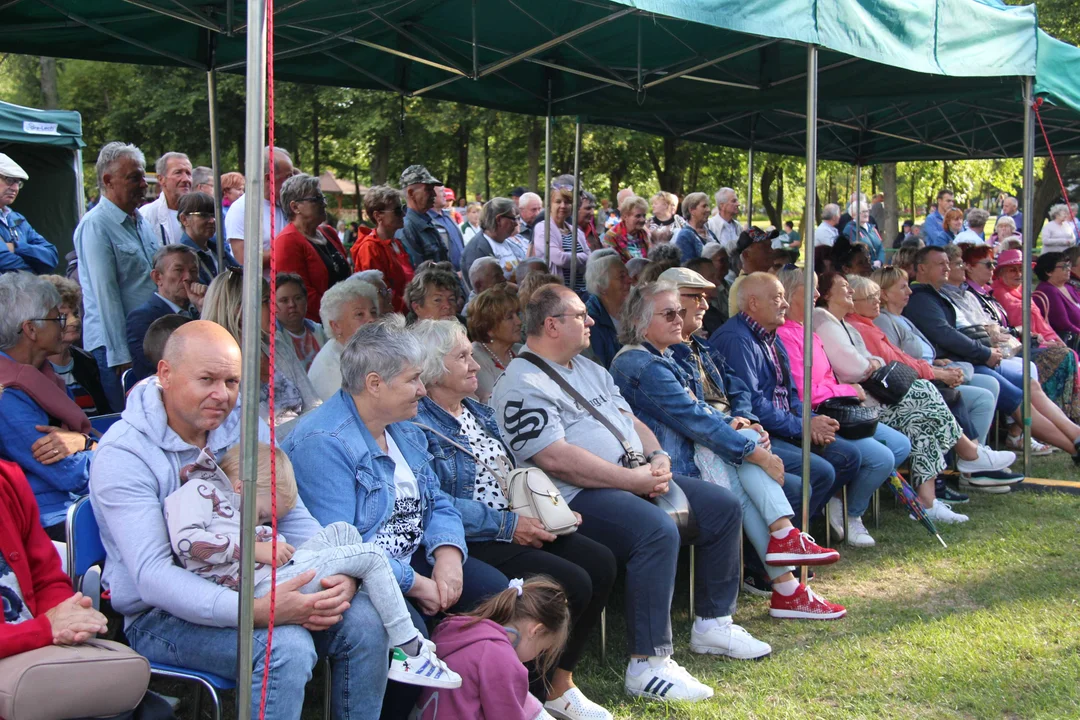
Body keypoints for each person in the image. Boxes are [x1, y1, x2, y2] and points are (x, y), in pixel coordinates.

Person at [90, 320, 393, 720]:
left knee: (367, 622)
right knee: (285, 647)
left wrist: (340, 573)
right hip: (159, 615)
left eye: (232, 382)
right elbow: (152, 575)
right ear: (165, 374)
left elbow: (295, 517)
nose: (222, 395)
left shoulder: (241, 429)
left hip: (260, 580)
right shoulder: (124, 455)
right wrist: (256, 610)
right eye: (207, 380)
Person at [492, 284, 772, 705]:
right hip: (573, 496)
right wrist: (632, 482)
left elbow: (630, 420)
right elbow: (555, 459)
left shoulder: (589, 368)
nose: (591, 321)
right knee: (655, 530)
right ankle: (648, 664)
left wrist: (656, 456)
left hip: (633, 475)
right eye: (579, 316)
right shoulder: (520, 382)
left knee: (720, 507)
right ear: (551, 325)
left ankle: (714, 623)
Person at [411, 320, 616, 717]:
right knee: (570, 581)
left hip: (515, 521)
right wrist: (509, 526)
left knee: (600, 562)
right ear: (434, 370)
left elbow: (509, 471)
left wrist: (547, 508)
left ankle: (558, 682)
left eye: (472, 355)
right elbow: (438, 502)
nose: (475, 365)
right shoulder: (419, 424)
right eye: (463, 358)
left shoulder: (476, 409)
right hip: (475, 535)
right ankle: (530, 694)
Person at [610, 281, 846, 615]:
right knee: (746, 460)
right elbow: (694, 418)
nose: (680, 319)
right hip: (670, 470)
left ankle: (787, 568)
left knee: (744, 453)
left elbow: (704, 410)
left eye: (680, 311)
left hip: (697, 457)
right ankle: (787, 565)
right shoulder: (642, 365)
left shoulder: (664, 355)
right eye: (669, 314)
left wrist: (738, 423)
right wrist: (759, 453)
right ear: (640, 322)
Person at [164, 441, 460, 689]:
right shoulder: (198, 492)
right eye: (264, 514)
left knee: (344, 531)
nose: (263, 522)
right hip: (259, 586)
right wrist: (255, 549)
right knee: (371, 556)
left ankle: (347, 583)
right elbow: (187, 542)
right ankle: (410, 650)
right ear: (243, 488)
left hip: (280, 570)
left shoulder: (230, 504)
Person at [813, 271, 1015, 518]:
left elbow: (880, 361)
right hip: (858, 403)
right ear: (827, 295)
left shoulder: (850, 323)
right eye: (850, 290)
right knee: (925, 397)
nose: (853, 295)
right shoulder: (828, 320)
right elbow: (861, 367)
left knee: (922, 415)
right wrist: (932, 372)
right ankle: (969, 454)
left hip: (871, 396)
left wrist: (877, 364)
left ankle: (929, 500)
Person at [766, 270, 910, 543]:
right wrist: (848, 389)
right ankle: (850, 513)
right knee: (880, 458)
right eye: (813, 289)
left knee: (900, 445)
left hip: (840, 407)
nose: (818, 296)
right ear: (792, 293)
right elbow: (804, 392)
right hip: (821, 412)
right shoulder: (786, 335)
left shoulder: (806, 329)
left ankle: (841, 500)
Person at [909, 245, 1080, 460]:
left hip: (973, 357)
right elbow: (946, 334)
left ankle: (1075, 436)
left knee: (1028, 382)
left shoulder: (936, 295)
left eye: (948, 263)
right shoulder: (921, 298)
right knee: (1012, 394)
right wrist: (984, 351)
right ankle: (1072, 447)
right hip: (960, 363)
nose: (947, 267)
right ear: (922, 269)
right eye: (941, 264)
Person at [0, 273, 95, 539]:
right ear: (30, 329)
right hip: (48, 521)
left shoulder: (41, 376)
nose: (64, 325)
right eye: (57, 318)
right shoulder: (6, 396)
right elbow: (69, 473)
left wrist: (84, 444)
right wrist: (94, 447)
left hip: (75, 503)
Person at [74, 142, 160, 412]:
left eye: (143, 175)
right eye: (134, 177)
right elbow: (105, 295)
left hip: (146, 340)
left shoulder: (140, 221)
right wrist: (120, 355)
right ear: (108, 181)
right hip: (117, 350)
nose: (144, 184)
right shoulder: (95, 225)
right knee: (132, 421)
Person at [0, 458, 110, 660]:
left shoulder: (7, 478)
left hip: (36, 648)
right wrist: (44, 629)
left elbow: (46, 578)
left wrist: (67, 619)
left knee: (123, 675)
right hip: (23, 648)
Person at [416, 578, 571, 720]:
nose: (536, 657)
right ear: (535, 631)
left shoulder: (458, 625)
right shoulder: (504, 661)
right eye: (542, 649)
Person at [201, 270, 320, 428]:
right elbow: (244, 436)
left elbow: (314, 404)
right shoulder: (219, 367)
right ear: (239, 309)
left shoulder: (278, 348)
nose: (275, 309)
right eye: (266, 301)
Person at [273, 174, 351, 321]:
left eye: (323, 198)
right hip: (320, 325)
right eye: (317, 199)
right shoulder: (287, 242)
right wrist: (340, 316)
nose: (324, 204)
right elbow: (301, 295)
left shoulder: (329, 232)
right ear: (295, 207)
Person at [125, 246, 202, 386]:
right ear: (157, 277)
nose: (188, 277)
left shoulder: (198, 310)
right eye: (179, 270)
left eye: (193, 271)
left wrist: (203, 307)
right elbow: (153, 368)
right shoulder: (142, 318)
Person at [42, 275, 112, 417]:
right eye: (63, 315)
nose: (74, 321)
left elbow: (102, 411)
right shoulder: (34, 366)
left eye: (75, 313)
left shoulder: (85, 359)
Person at [307, 278, 380, 401]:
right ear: (336, 326)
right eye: (359, 314)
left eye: (373, 312)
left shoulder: (365, 350)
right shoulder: (330, 368)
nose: (371, 319)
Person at [224, 146, 292, 269]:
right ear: (268, 178)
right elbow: (243, 259)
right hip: (261, 287)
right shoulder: (242, 210)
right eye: (288, 176)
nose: (292, 181)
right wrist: (293, 248)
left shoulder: (286, 205)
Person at [350, 185, 412, 313]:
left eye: (403, 208)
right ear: (378, 216)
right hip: (392, 319)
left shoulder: (396, 243)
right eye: (397, 211)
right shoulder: (370, 248)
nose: (403, 214)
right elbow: (379, 294)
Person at [0, 153, 58, 275]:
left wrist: (16, 247)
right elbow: (3, 260)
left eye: (18, 183)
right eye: (9, 180)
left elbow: (51, 256)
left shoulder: (17, 219)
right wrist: (34, 269)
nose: (15, 188)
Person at [534, 180, 590, 296]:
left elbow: (590, 258)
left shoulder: (576, 231)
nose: (563, 206)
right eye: (558, 202)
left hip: (581, 292)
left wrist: (580, 257)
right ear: (549, 204)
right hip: (557, 293)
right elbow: (559, 259)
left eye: (567, 202)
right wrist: (583, 257)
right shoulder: (543, 228)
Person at [461, 197, 528, 292]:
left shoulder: (508, 242)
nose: (517, 223)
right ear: (499, 219)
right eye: (514, 218)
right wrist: (522, 290)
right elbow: (488, 287)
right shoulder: (477, 249)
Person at [177, 191, 238, 284]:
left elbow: (240, 274)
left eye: (214, 215)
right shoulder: (183, 256)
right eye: (203, 215)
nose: (212, 220)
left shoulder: (216, 247)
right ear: (184, 219)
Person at [583, 254, 631, 368]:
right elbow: (600, 369)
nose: (629, 280)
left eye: (627, 275)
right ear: (601, 287)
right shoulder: (591, 322)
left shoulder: (633, 311)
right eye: (621, 277)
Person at [398, 165, 450, 267]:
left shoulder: (426, 221)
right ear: (411, 193)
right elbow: (418, 275)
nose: (434, 194)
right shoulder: (406, 228)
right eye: (428, 190)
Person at [275, 273, 327, 371]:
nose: (292, 305)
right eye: (284, 300)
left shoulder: (320, 331)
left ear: (306, 300)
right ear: (272, 305)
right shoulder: (273, 339)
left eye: (298, 298)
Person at [139, 151, 193, 245]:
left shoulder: (201, 213)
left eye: (188, 173)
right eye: (178, 173)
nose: (186, 179)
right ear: (161, 179)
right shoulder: (147, 215)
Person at [727, 227, 778, 318]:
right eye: (764, 247)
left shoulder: (753, 282)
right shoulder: (743, 285)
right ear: (746, 255)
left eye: (770, 246)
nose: (771, 251)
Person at [1035, 252, 1080, 342]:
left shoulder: (1069, 287)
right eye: (1064, 266)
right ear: (1049, 271)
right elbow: (1063, 324)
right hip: (1070, 342)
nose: (1068, 269)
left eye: (1069, 265)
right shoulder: (1048, 290)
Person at [602, 195, 650, 263]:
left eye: (644, 215)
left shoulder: (644, 234)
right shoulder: (612, 236)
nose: (642, 220)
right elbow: (611, 264)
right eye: (638, 216)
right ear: (625, 217)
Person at [430, 185, 467, 271]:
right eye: (441, 191)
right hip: (445, 276)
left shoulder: (448, 217)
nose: (445, 195)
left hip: (460, 275)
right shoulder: (426, 220)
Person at [674, 192, 714, 264]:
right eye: (704, 206)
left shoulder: (709, 233)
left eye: (708, 206)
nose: (708, 210)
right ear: (692, 210)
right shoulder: (685, 236)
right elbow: (687, 268)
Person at [706, 188, 741, 253]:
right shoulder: (710, 225)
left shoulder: (738, 226)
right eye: (734, 201)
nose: (738, 204)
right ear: (722, 206)